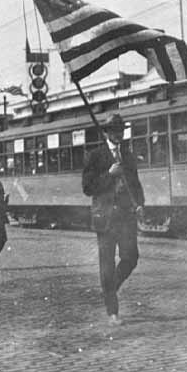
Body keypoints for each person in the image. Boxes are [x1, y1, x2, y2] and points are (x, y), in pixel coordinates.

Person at [82, 113, 145, 326]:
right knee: (106, 265)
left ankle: (109, 290)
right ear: (107, 133)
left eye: (121, 131)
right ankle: (112, 311)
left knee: (131, 257)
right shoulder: (95, 156)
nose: (119, 134)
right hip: (105, 218)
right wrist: (109, 174)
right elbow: (87, 188)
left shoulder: (127, 155)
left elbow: (135, 183)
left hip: (126, 216)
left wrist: (140, 204)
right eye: (115, 131)